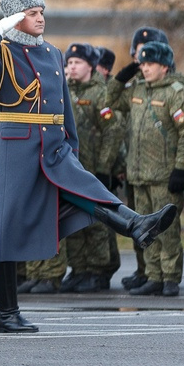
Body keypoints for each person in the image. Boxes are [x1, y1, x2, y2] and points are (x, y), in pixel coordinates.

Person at [0, 0, 177, 332]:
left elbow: (63, 104)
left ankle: (136, 225)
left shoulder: (52, 53)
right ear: (15, 18)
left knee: (85, 187)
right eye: (32, 13)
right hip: (17, 145)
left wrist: (72, 148)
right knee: (5, 228)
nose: (41, 18)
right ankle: (7, 314)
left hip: (54, 143)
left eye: (42, 12)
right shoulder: (1, 52)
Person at [112, 40, 184, 296]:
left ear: (165, 66)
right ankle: (153, 276)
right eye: (143, 64)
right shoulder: (137, 89)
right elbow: (110, 100)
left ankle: (170, 277)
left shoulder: (176, 92)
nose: (145, 69)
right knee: (145, 231)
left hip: (164, 175)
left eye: (151, 64)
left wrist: (181, 169)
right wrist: (122, 76)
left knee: (167, 231)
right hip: (139, 174)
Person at [58, 43, 122, 293]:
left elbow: (112, 132)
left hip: (94, 169)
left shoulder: (100, 93)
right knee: (74, 221)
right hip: (71, 169)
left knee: (96, 224)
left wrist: (106, 167)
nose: (71, 67)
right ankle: (80, 268)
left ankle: (98, 271)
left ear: (90, 66)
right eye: (69, 62)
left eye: (77, 63)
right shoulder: (64, 91)